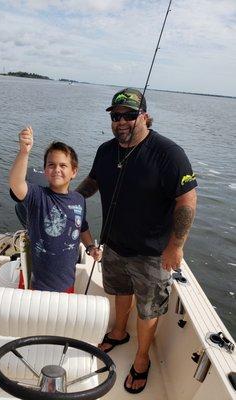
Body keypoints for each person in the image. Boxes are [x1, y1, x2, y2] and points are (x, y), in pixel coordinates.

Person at [76, 88, 197, 394]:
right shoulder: (106, 151)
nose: (122, 122)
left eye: (130, 115)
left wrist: (176, 245)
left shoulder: (169, 154)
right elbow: (92, 182)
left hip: (153, 253)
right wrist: (68, 198)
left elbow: (187, 200)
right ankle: (119, 332)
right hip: (114, 244)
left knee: (149, 310)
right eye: (116, 116)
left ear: (144, 116)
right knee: (119, 289)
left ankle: (142, 359)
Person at [9, 126, 101, 292]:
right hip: (38, 286)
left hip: (67, 284)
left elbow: (82, 227)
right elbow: (16, 185)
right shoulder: (37, 195)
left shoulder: (79, 200)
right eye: (51, 165)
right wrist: (24, 152)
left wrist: (90, 247)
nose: (57, 169)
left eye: (63, 165)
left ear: (74, 172)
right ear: (45, 171)